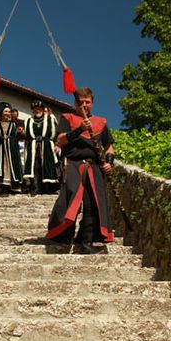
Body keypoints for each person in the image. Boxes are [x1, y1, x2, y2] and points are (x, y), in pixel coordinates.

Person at [46, 86, 115, 254]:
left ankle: (86, 242)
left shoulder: (101, 122)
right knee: (71, 202)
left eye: (88, 102)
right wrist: (79, 130)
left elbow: (109, 146)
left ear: (92, 103)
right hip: (74, 165)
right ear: (76, 103)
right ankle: (64, 239)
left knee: (92, 205)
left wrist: (108, 163)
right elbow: (60, 141)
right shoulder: (67, 118)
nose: (84, 105)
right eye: (81, 102)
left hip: (94, 167)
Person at [23, 100, 60, 195]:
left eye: (39, 109)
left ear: (43, 110)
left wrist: (57, 145)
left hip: (47, 146)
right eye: (35, 109)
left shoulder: (50, 119)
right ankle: (35, 188)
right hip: (34, 147)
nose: (37, 111)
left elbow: (57, 133)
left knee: (47, 166)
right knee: (35, 166)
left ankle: (48, 188)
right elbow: (27, 136)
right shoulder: (28, 121)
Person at [0, 102, 23, 193]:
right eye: (5, 111)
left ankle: (14, 187)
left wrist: (20, 133)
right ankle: (2, 186)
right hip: (1, 148)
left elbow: (20, 137)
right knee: (1, 166)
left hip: (12, 148)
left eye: (9, 112)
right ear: (1, 112)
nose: (7, 113)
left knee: (12, 165)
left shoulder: (14, 124)